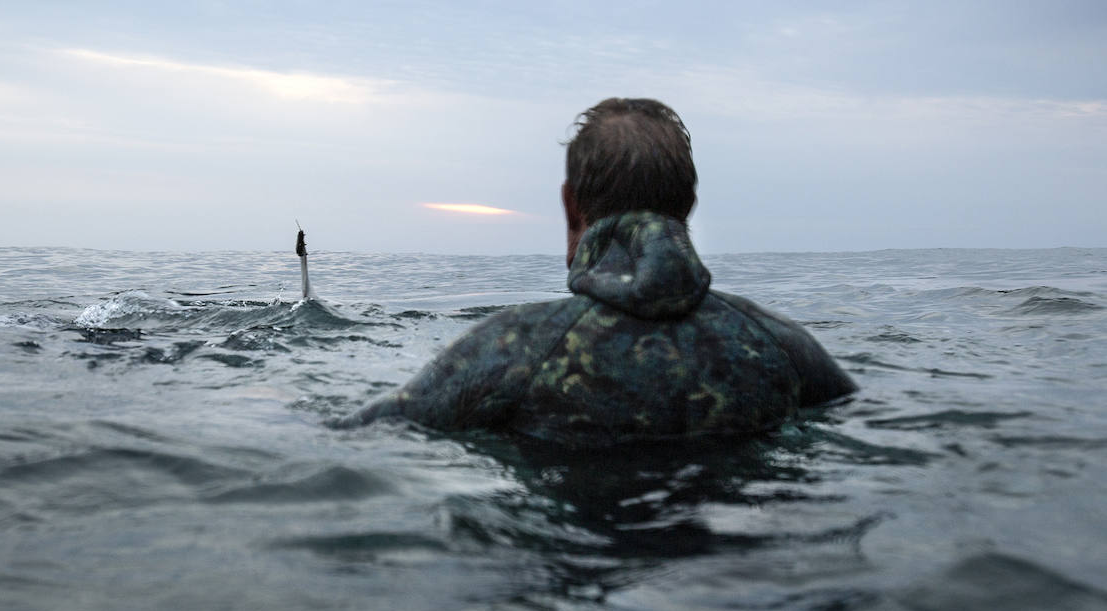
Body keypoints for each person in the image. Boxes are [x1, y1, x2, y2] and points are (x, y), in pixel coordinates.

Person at [339, 98, 856, 443]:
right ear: (688, 206)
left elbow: (367, 434)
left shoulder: (510, 348)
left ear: (571, 208)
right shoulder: (787, 349)